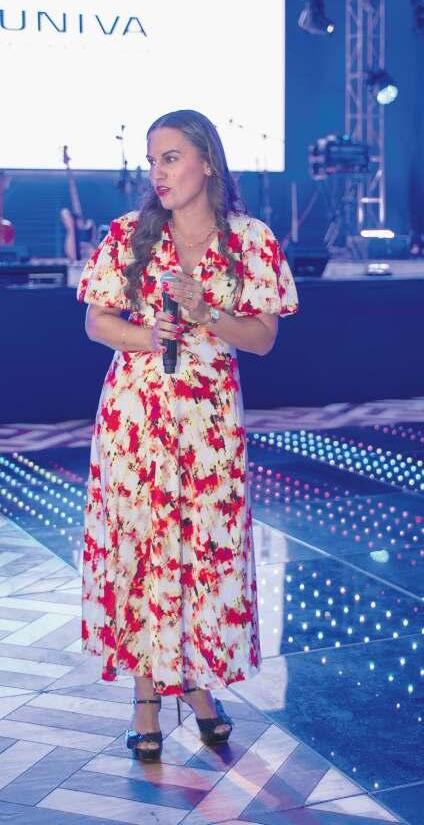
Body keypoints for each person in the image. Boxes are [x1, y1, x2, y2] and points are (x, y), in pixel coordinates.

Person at [77, 109, 299, 761]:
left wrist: (206, 311)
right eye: (153, 161)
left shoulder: (250, 241)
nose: (158, 172)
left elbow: (262, 338)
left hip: (209, 423)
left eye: (170, 157)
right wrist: (148, 334)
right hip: (135, 415)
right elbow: (96, 322)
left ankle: (196, 683)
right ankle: (147, 697)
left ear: (206, 161)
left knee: (203, 551)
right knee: (145, 548)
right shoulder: (130, 234)